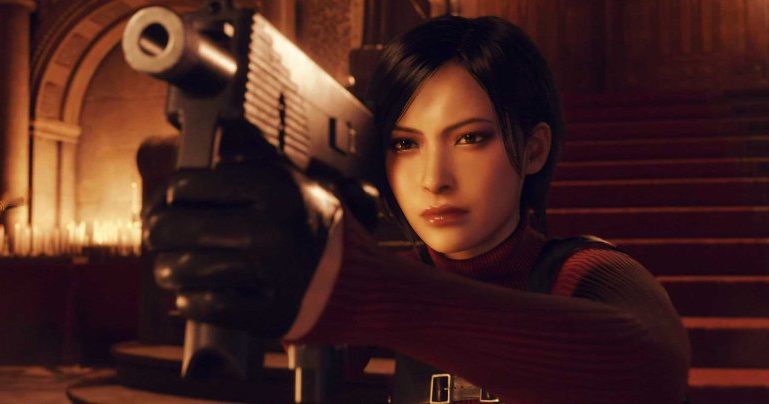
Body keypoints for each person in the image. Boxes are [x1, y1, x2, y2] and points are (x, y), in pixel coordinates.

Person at [146, 15, 690, 404]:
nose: (434, 179)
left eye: (470, 138)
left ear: (533, 148)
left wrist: (360, 289)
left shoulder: (583, 272)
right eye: (405, 144)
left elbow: (650, 364)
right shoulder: (393, 281)